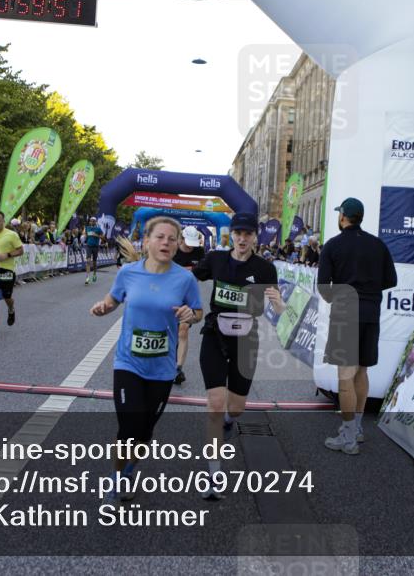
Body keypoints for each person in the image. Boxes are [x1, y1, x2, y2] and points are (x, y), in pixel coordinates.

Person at [89, 217, 202, 500]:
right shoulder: (128, 273)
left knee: (144, 434)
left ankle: (129, 470)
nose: (166, 242)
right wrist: (104, 307)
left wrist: (192, 315)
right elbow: (114, 298)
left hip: (162, 369)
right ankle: (116, 480)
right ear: (147, 241)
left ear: (178, 245)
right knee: (129, 428)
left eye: (172, 239)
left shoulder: (185, 278)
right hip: (129, 363)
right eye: (160, 237)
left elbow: (197, 311)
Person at [192, 212, 282, 498]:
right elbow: (188, 276)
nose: (242, 238)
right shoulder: (216, 260)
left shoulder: (265, 268)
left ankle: (231, 421)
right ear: (231, 234)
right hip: (215, 335)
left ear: (255, 236)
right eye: (238, 233)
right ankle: (214, 473)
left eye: (248, 234)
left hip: (246, 340)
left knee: (236, 408)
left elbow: (279, 310)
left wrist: (279, 304)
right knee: (215, 404)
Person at [317, 197, 397, 455]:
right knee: (361, 371)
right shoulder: (378, 245)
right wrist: (369, 293)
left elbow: (323, 286)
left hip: (345, 314)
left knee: (345, 376)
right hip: (371, 313)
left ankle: (348, 436)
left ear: (343, 217)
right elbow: (390, 280)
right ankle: (358, 429)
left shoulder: (333, 245)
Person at [172, 226, 206, 384]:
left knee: (183, 329)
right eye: (187, 243)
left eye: (193, 243)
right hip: (169, 294)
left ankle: (178, 368)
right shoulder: (172, 250)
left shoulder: (199, 252)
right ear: (181, 239)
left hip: (188, 296)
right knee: (169, 331)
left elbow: (205, 271)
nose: (190, 247)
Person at [0, 211, 24, 326]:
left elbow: (21, 250)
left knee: (7, 297)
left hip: (6, 271)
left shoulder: (11, 235)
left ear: (3, 221)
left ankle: (11, 309)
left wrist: (7, 255)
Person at [84, 216, 103, 284]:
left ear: (95, 222)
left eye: (93, 221)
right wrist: (85, 236)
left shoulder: (98, 229)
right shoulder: (87, 228)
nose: (91, 222)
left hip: (95, 246)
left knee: (94, 262)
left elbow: (102, 237)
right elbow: (86, 235)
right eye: (91, 221)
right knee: (88, 261)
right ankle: (87, 277)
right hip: (89, 246)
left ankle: (94, 273)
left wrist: (96, 235)